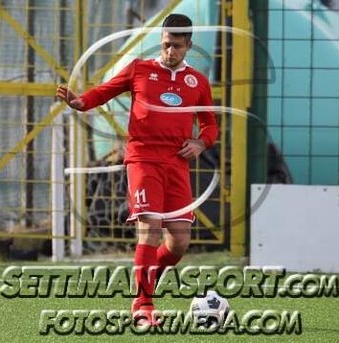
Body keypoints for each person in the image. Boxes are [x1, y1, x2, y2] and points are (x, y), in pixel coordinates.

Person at [56, 13, 218, 324]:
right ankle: (143, 305)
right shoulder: (140, 70)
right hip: (143, 158)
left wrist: (201, 143)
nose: (170, 52)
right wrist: (82, 102)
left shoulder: (197, 82)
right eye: (167, 45)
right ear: (161, 40)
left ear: (189, 46)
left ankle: (145, 282)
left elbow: (210, 125)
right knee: (150, 228)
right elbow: (105, 90)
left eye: (177, 47)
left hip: (177, 163)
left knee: (179, 243)